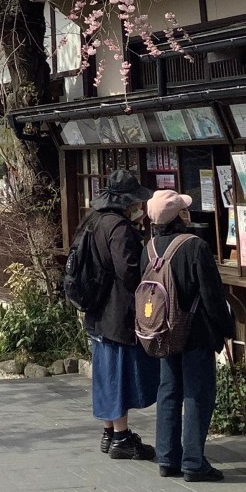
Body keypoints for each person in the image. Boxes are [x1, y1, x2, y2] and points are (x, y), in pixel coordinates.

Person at [145, 190, 236, 482]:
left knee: (168, 391)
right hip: (195, 332)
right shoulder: (194, 246)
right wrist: (225, 331)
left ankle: (167, 457)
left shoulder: (150, 248)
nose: (188, 213)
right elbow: (212, 295)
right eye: (184, 209)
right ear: (179, 217)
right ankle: (194, 462)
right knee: (198, 394)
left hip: (162, 331)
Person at [82, 169, 159, 460]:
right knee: (118, 373)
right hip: (116, 311)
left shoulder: (94, 221)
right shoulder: (119, 228)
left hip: (96, 309)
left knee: (104, 372)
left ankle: (110, 431)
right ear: (128, 202)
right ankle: (122, 436)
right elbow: (129, 273)